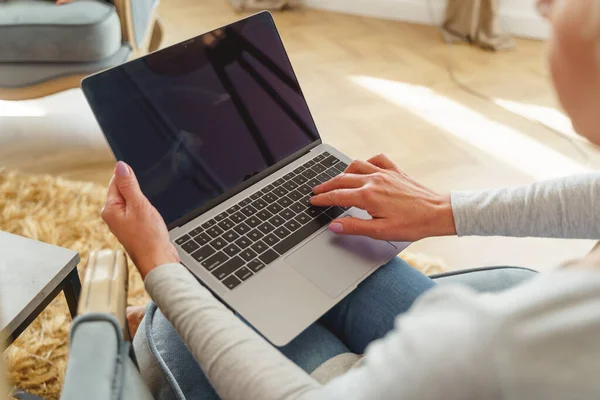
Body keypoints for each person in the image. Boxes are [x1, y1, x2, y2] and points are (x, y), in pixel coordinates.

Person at [102, 0, 600, 398]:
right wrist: (441, 210)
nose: (544, 4)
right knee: (335, 248)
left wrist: (159, 268)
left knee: (168, 319)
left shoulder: (489, 341)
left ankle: (159, 312)